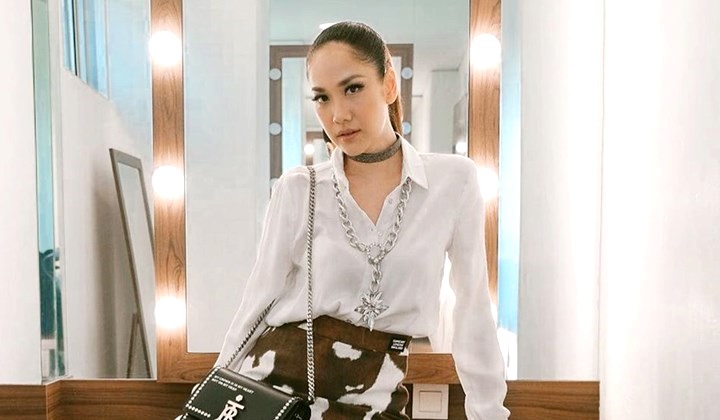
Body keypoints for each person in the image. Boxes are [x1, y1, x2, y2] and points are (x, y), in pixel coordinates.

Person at [216, 21, 510, 419]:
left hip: (377, 396)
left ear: (388, 85)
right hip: (279, 388)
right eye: (322, 98)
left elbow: (472, 309)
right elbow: (256, 303)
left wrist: (488, 412)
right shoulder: (299, 188)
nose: (338, 115)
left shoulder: (453, 181)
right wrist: (215, 393)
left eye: (352, 88)